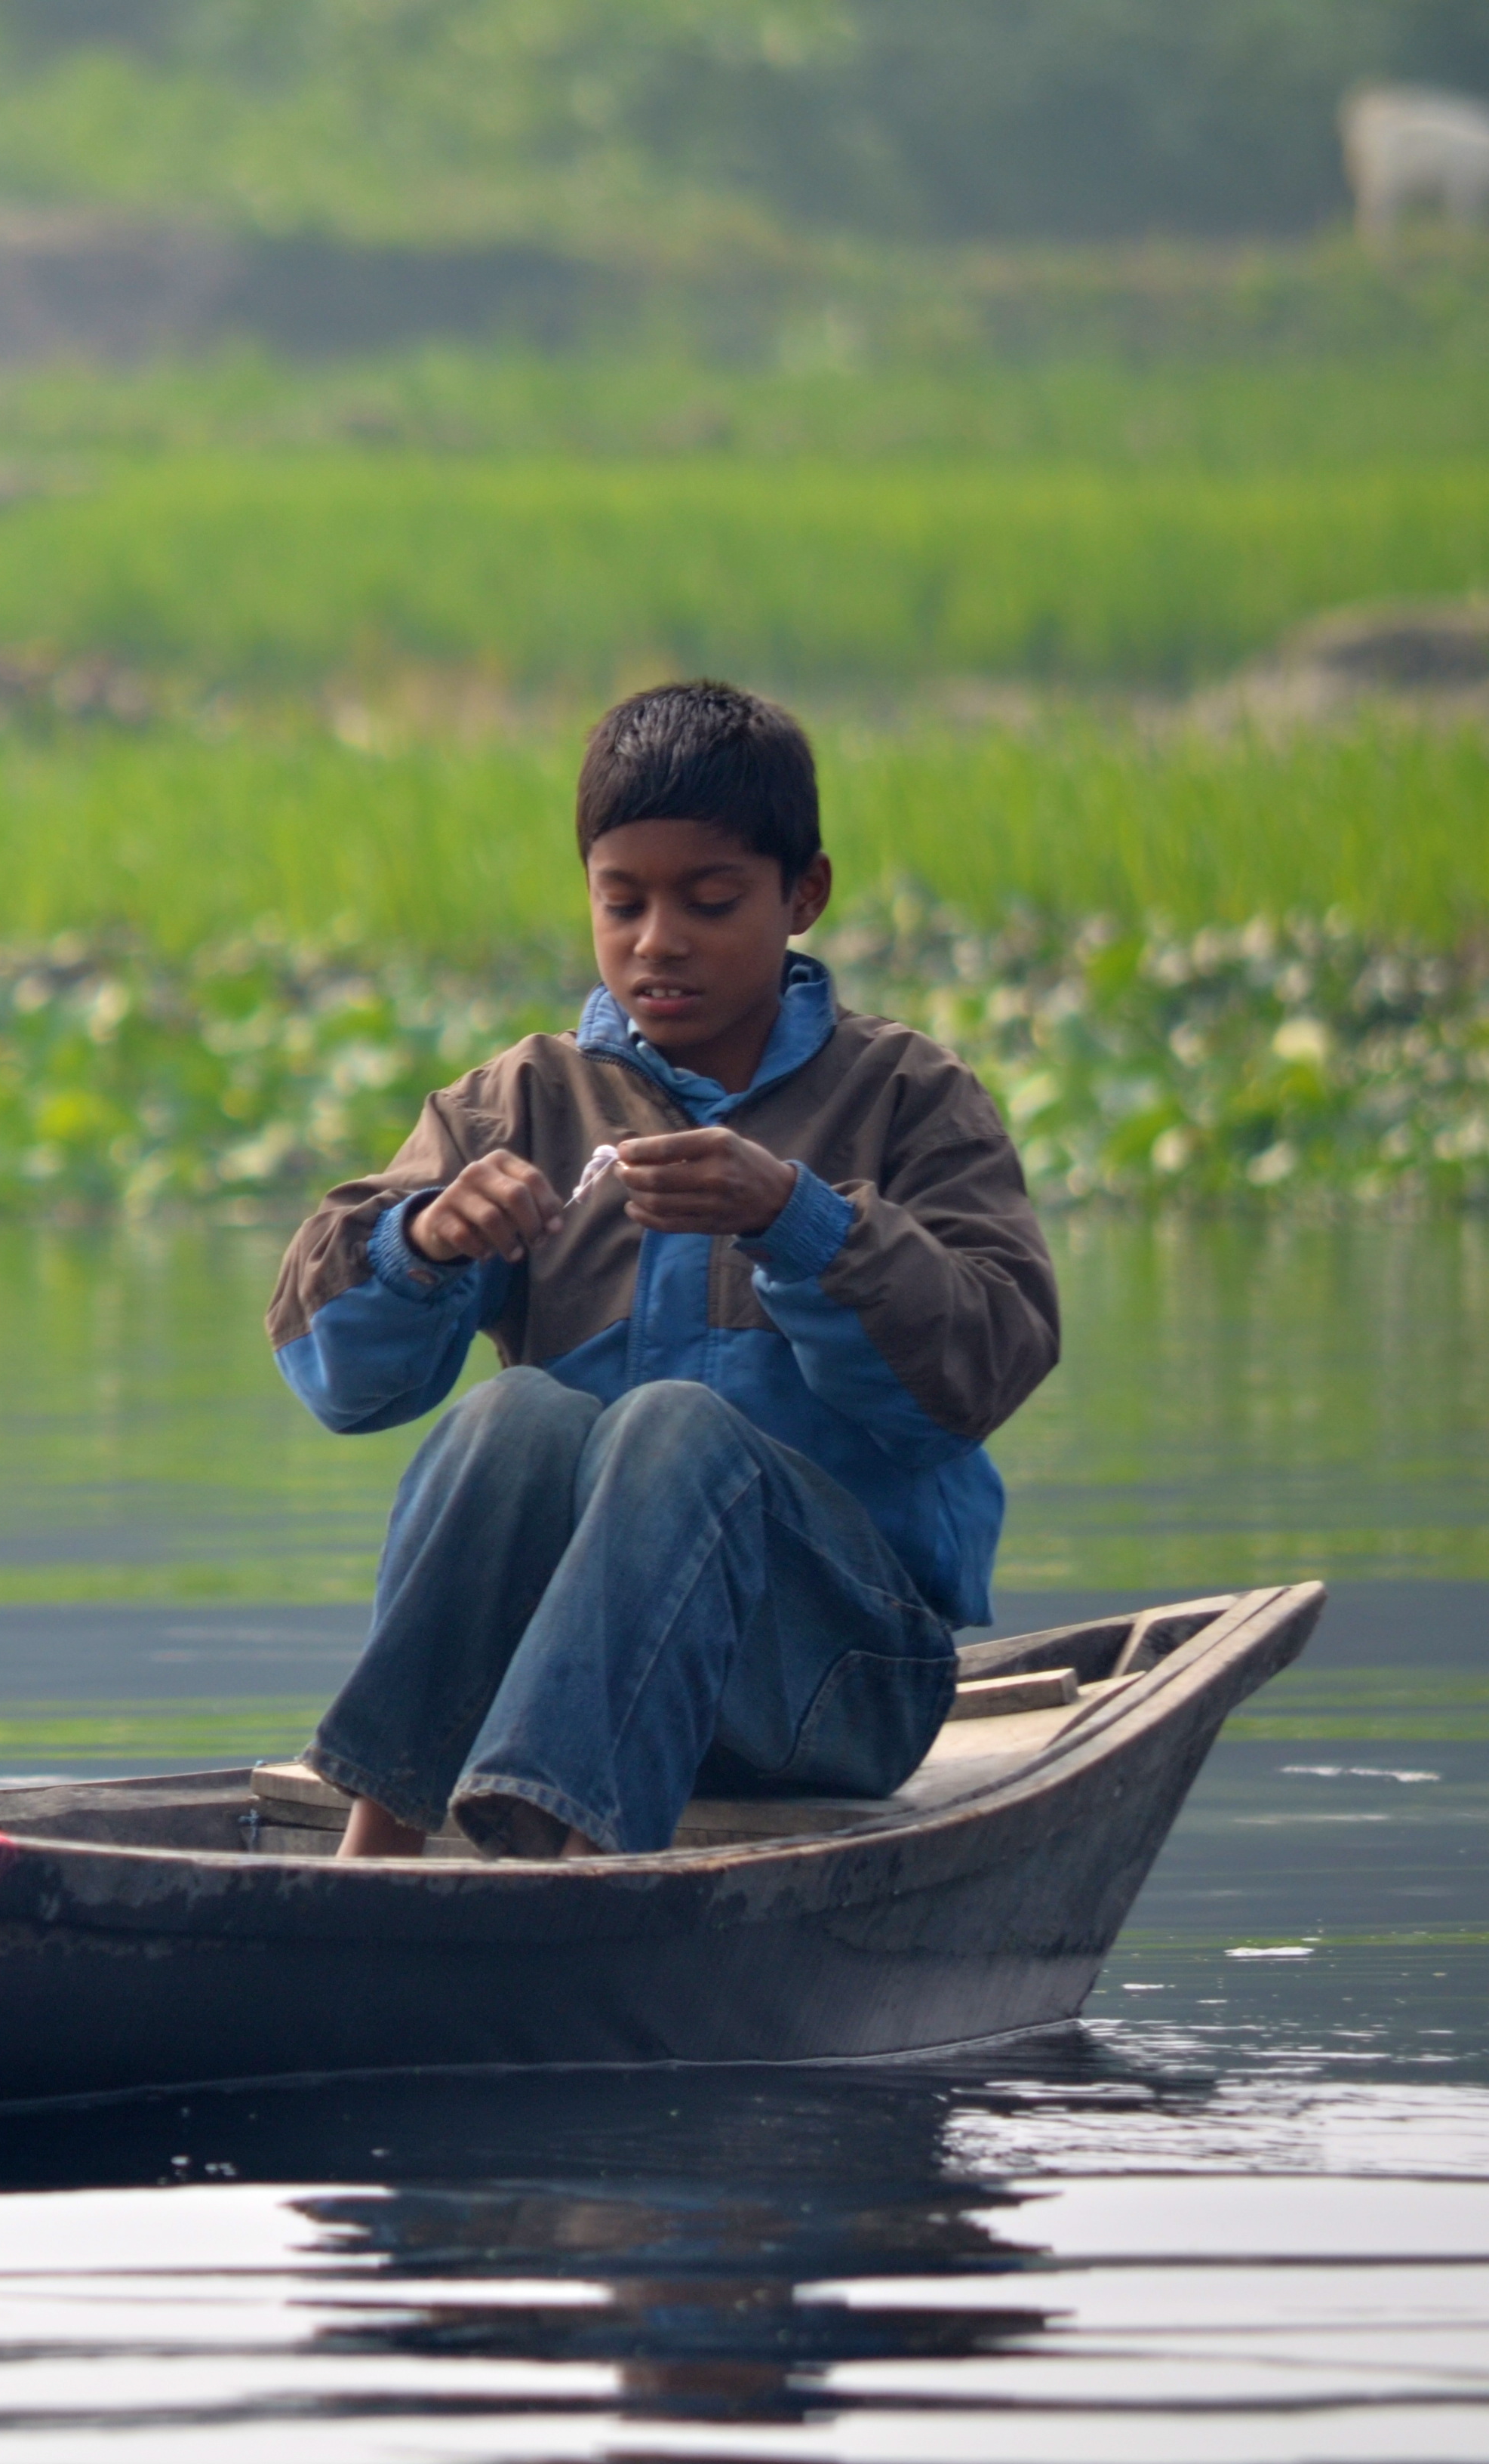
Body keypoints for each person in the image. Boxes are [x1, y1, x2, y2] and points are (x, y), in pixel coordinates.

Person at [266, 680, 1057, 1862]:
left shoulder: (906, 1098)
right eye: (621, 902)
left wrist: (800, 1222)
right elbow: (336, 1377)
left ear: (805, 894)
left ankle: (565, 1860)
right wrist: (420, 1243)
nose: (658, 942)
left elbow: (984, 1367)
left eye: (711, 900)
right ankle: (376, 1850)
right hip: (545, 1684)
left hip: (835, 1680)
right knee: (519, 1413)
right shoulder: (523, 1103)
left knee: (672, 1427)